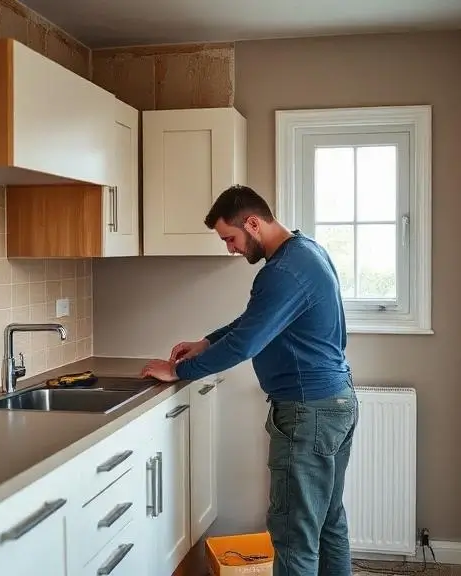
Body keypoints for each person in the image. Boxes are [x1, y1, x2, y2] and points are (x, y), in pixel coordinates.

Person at [141, 185, 359, 576]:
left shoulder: (283, 271)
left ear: (253, 223)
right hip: (334, 403)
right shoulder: (306, 252)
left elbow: (244, 345)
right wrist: (206, 341)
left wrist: (177, 371)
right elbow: (254, 321)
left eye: (231, 238)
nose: (231, 248)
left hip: (308, 413)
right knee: (327, 522)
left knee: (294, 534)